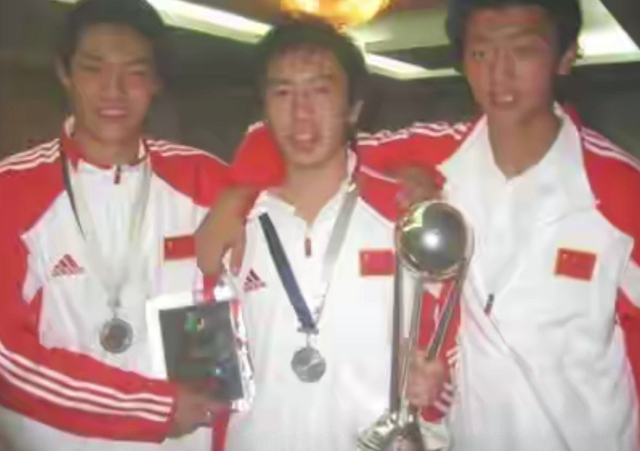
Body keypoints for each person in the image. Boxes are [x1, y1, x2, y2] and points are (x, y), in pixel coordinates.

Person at [197, 0, 640, 450]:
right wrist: (238, 195)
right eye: (481, 52)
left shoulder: (623, 189)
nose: (499, 73)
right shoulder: (437, 152)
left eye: (523, 50)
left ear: (566, 55)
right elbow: (311, 141)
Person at [212, 17, 458, 451]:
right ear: (264, 108)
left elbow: (454, 345)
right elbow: (205, 362)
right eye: (283, 92)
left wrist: (438, 386)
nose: (301, 113)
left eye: (320, 91)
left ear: (353, 109)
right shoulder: (233, 224)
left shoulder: (404, 216)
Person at [0, 0, 229, 449]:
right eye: (93, 69)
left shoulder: (206, 182)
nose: (114, 90)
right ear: (65, 73)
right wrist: (151, 407)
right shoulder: (12, 191)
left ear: (156, 81)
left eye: (135, 72)